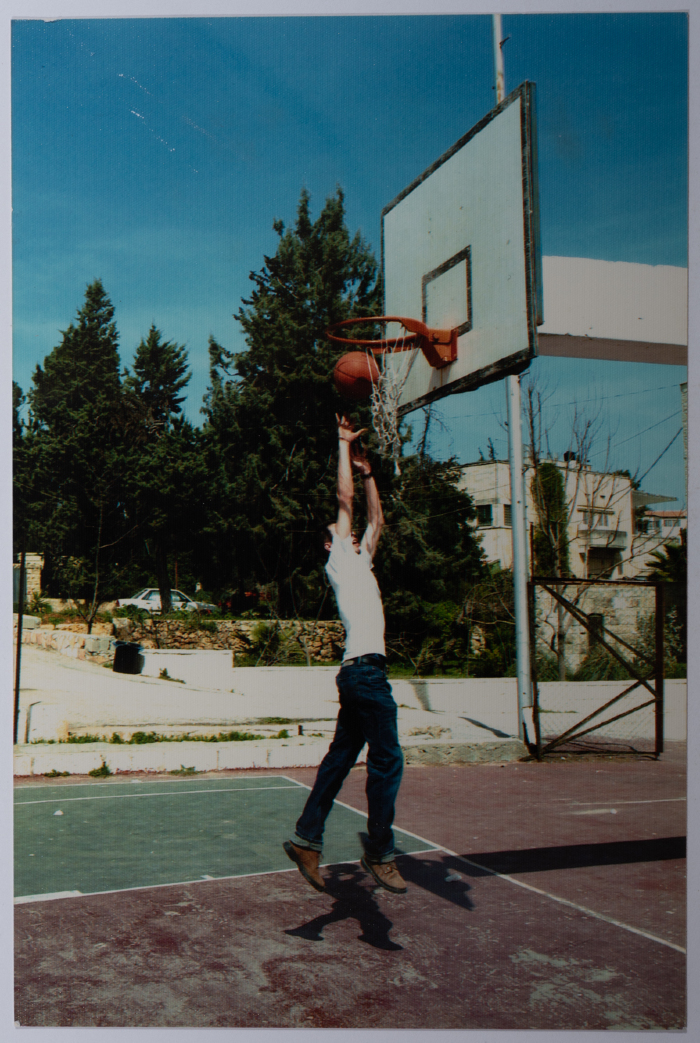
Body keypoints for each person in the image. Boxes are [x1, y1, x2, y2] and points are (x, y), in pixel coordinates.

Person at [283, 415, 406, 895]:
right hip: (367, 676)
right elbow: (346, 502)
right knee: (388, 760)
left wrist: (369, 469)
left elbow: (376, 519)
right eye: (341, 529)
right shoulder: (338, 560)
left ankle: (307, 840)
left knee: (340, 760)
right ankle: (379, 851)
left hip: (358, 675)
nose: (350, 530)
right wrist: (340, 444)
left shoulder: (362, 561)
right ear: (331, 542)